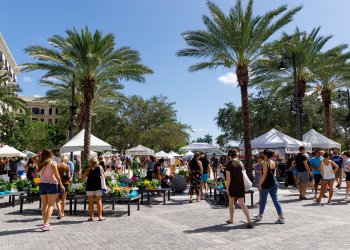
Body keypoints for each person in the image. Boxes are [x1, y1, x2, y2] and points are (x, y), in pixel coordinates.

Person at [33, 149, 65, 231]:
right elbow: (57, 175)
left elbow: (33, 158)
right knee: (51, 205)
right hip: (52, 184)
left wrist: (38, 154)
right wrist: (61, 185)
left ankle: (45, 223)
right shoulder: (52, 163)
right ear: (50, 155)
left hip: (42, 185)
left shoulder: (39, 163)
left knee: (44, 205)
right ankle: (46, 224)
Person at [254, 149, 285, 224]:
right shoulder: (273, 162)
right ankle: (281, 217)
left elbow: (264, 174)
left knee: (263, 201)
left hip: (266, 184)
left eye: (263, 154)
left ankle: (260, 216)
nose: (262, 155)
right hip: (274, 182)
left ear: (265, 155)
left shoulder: (265, 163)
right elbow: (270, 172)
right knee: (275, 200)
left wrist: (260, 183)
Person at [225, 150, 253, 228]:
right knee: (242, 203)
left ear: (229, 156)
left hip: (232, 186)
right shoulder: (241, 163)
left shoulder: (229, 164)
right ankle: (249, 220)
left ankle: (231, 219)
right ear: (236, 155)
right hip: (241, 185)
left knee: (231, 203)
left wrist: (227, 189)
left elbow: (228, 178)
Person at [82, 157, 106, 221]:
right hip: (98, 186)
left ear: (90, 162)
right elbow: (105, 177)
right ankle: (100, 216)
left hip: (90, 187)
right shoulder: (100, 168)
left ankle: (91, 217)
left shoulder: (88, 169)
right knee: (99, 201)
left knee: (91, 202)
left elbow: (83, 178)